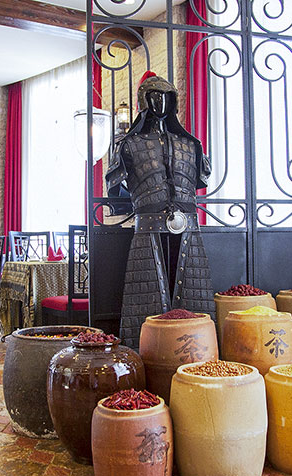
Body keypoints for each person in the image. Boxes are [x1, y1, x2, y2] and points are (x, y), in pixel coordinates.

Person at [106, 71, 214, 349]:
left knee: (196, 311)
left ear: (174, 101)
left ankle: (199, 356)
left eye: (166, 96)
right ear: (143, 101)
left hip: (189, 230)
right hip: (147, 230)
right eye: (153, 96)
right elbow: (116, 195)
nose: (160, 102)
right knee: (145, 309)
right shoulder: (128, 145)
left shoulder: (192, 145)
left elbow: (200, 180)